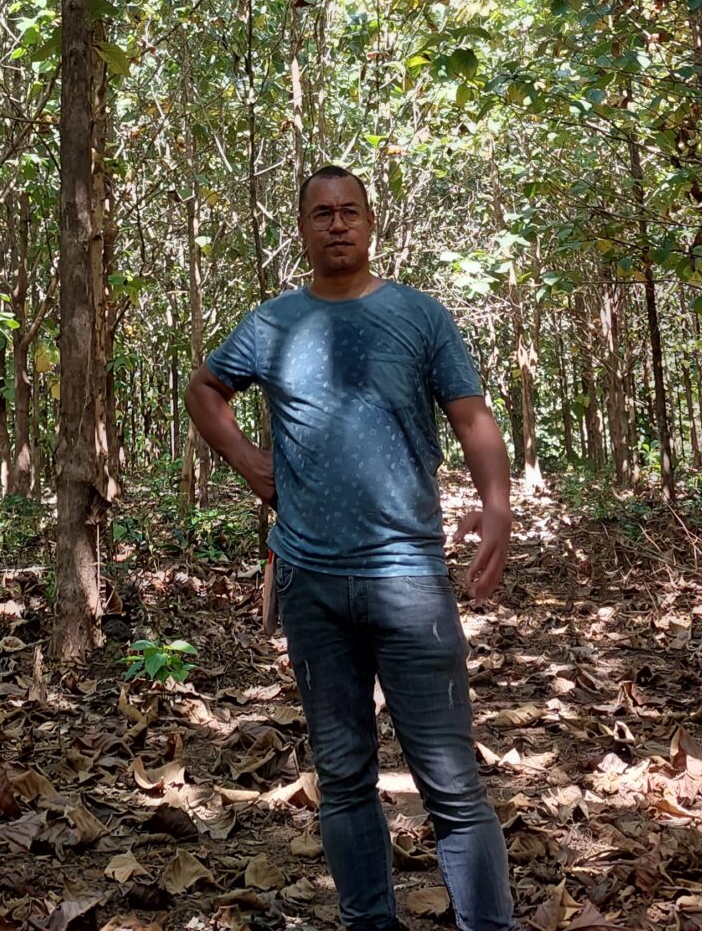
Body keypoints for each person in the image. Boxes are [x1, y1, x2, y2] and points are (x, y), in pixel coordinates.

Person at [186, 164, 516, 931]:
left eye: (351, 212)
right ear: (302, 230)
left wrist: (496, 505)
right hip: (311, 582)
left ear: (372, 223)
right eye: (322, 214)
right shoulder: (271, 324)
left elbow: (471, 416)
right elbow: (206, 388)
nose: (337, 225)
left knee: (452, 784)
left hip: (408, 580)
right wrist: (251, 464)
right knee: (342, 779)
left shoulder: (418, 316)